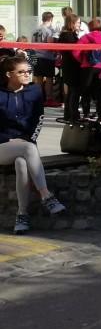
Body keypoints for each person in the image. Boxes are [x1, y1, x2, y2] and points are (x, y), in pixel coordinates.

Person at [1, 55, 66, 234]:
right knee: (28, 148)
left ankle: (22, 215)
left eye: (29, 71)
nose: (27, 75)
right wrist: (7, 140)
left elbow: (39, 119)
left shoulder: (35, 91)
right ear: (8, 74)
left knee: (22, 163)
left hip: (25, 144)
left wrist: (28, 139)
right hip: (2, 146)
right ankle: (46, 195)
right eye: (21, 72)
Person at [57, 14, 83, 123]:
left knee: (71, 91)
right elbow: (74, 52)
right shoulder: (69, 36)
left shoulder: (66, 35)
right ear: (72, 23)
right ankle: (73, 115)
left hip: (68, 65)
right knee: (74, 91)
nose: (79, 24)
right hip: (72, 66)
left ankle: (69, 114)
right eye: (77, 22)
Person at [31, 12, 58, 106]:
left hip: (36, 55)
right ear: (51, 19)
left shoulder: (35, 29)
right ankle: (49, 98)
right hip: (47, 56)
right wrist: (56, 52)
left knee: (39, 78)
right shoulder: (49, 30)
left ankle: (38, 98)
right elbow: (50, 44)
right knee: (49, 78)